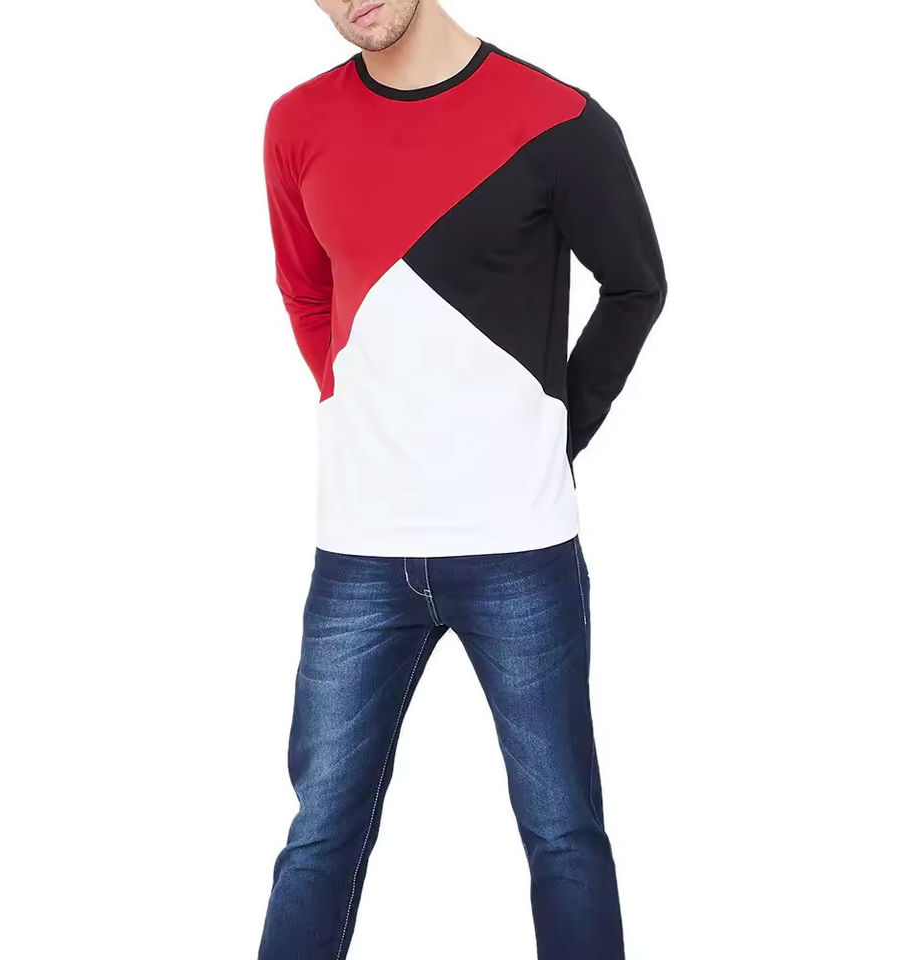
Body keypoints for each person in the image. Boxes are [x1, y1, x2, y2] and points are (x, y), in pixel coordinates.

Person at [257, 2, 667, 957]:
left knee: (562, 833)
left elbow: (636, 287)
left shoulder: (557, 119)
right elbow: (305, 288)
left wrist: (556, 431)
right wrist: (347, 397)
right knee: (318, 838)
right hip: (359, 548)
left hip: (518, 547)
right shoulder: (295, 123)